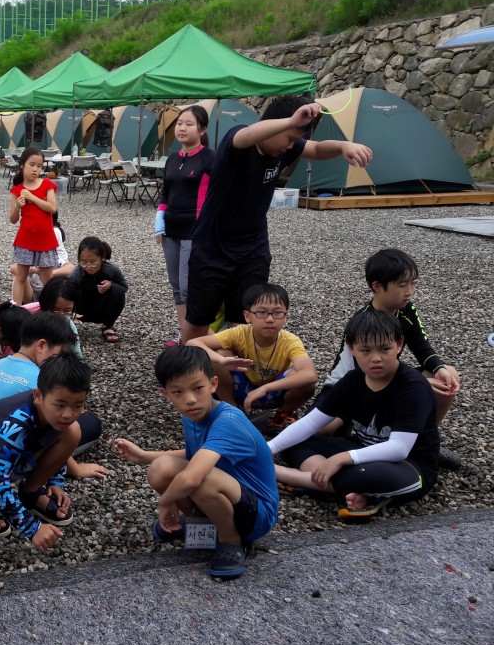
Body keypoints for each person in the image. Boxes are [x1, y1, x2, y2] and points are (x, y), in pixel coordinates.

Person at [183, 95, 373, 344]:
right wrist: (290, 122)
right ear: (278, 124)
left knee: (246, 321)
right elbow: (249, 134)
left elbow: (315, 149)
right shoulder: (239, 141)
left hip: (253, 249)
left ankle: (236, 379)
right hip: (212, 248)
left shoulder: (287, 146)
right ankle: (187, 373)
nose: (290, 146)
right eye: (290, 138)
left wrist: (342, 147)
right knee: (198, 321)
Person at [113, 346, 279, 580]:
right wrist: (144, 456)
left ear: (213, 384)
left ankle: (231, 540)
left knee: (200, 479)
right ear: (166, 394)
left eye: (198, 388)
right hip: (225, 491)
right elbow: (195, 455)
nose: (190, 399)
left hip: (256, 514)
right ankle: (204, 522)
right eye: (178, 392)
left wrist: (165, 502)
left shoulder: (228, 421)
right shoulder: (192, 414)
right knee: (160, 469)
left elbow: (192, 475)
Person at [269, 310, 440, 519]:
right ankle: (333, 484)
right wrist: (267, 450)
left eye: (385, 349)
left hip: (410, 464)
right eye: (365, 350)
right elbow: (311, 423)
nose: (375, 358)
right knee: (294, 441)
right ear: (352, 349)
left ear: (399, 344)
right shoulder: (353, 380)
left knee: (363, 476)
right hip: (364, 448)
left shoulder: (413, 387)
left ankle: (283, 475)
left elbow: (399, 448)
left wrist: (344, 458)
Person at [320, 249, 461, 457]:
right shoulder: (363, 321)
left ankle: (424, 441)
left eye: (413, 284)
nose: (410, 291)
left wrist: (438, 368)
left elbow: (423, 348)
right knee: (320, 431)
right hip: (348, 386)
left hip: (384, 379)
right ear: (377, 287)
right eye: (402, 285)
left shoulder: (407, 311)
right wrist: (416, 383)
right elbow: (364, 373)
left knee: (447, 375)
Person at [0, 352, 91, 545]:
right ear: (38, 396)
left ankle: (31, 491)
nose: (68, 414)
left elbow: (56, 443)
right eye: (60, 405)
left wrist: (55, 483)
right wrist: (32, 528)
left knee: (73, 431)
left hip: (19, 459)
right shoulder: (18, 422)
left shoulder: (55, 415)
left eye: (78, 406)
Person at [0, 312, 107, 480]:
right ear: (41, 346)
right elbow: (54, 426)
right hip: (9, 453)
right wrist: (74, 468)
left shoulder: (2, 362)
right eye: (59, 354)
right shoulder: (38, 380)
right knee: (90, 425)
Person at [188, 283, 317, 436]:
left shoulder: (290, 341)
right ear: (247, 316)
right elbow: (193, 343)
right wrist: (221, 360)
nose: (270, 319)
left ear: (285, 317)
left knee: (304, 380)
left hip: (274, 392)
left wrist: (265, 388)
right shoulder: (239, 333)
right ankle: (233, 412)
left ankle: (282, 415)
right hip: (240, 388)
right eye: (262, 312)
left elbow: (310, 374)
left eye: (277, 313)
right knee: (219, 354)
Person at [154, 105, 214, 346]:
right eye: (180, 123)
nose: (182, 128)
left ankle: (197, 338)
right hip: (171, 231)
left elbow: (218, 195)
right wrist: (159, 221)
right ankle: (184, 334)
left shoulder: (210, 158)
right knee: (177, 287)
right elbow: (166, 193)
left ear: (202, 129)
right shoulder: (172, 158)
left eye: (189, 124)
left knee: (190, 287)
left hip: (195, 230)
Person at [9, 147, 59, 306]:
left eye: (39, 166)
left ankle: (50, 310)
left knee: (48, 280)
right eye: (32, 165)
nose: (35, 169)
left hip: (46, 239)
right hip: (25, 239)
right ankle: (15, 309)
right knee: (21, 277)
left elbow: (52, 208)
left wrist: (32, 197)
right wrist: (17, 205)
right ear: (22, 165)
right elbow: (13, 219)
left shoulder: (47, 184)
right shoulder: (17, 190)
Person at [67, 236, 128, 343]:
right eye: (83, 262)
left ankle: (107, 326)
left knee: (118, 292)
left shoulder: (112, 271)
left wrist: (111, 284)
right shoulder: (77, 274)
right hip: (81, 311)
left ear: (102, 258)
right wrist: (70, 313)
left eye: (93, 262)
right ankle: (69, 324)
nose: (89, 266)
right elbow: (64, 293)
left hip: (102, 309)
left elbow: (124, 287)